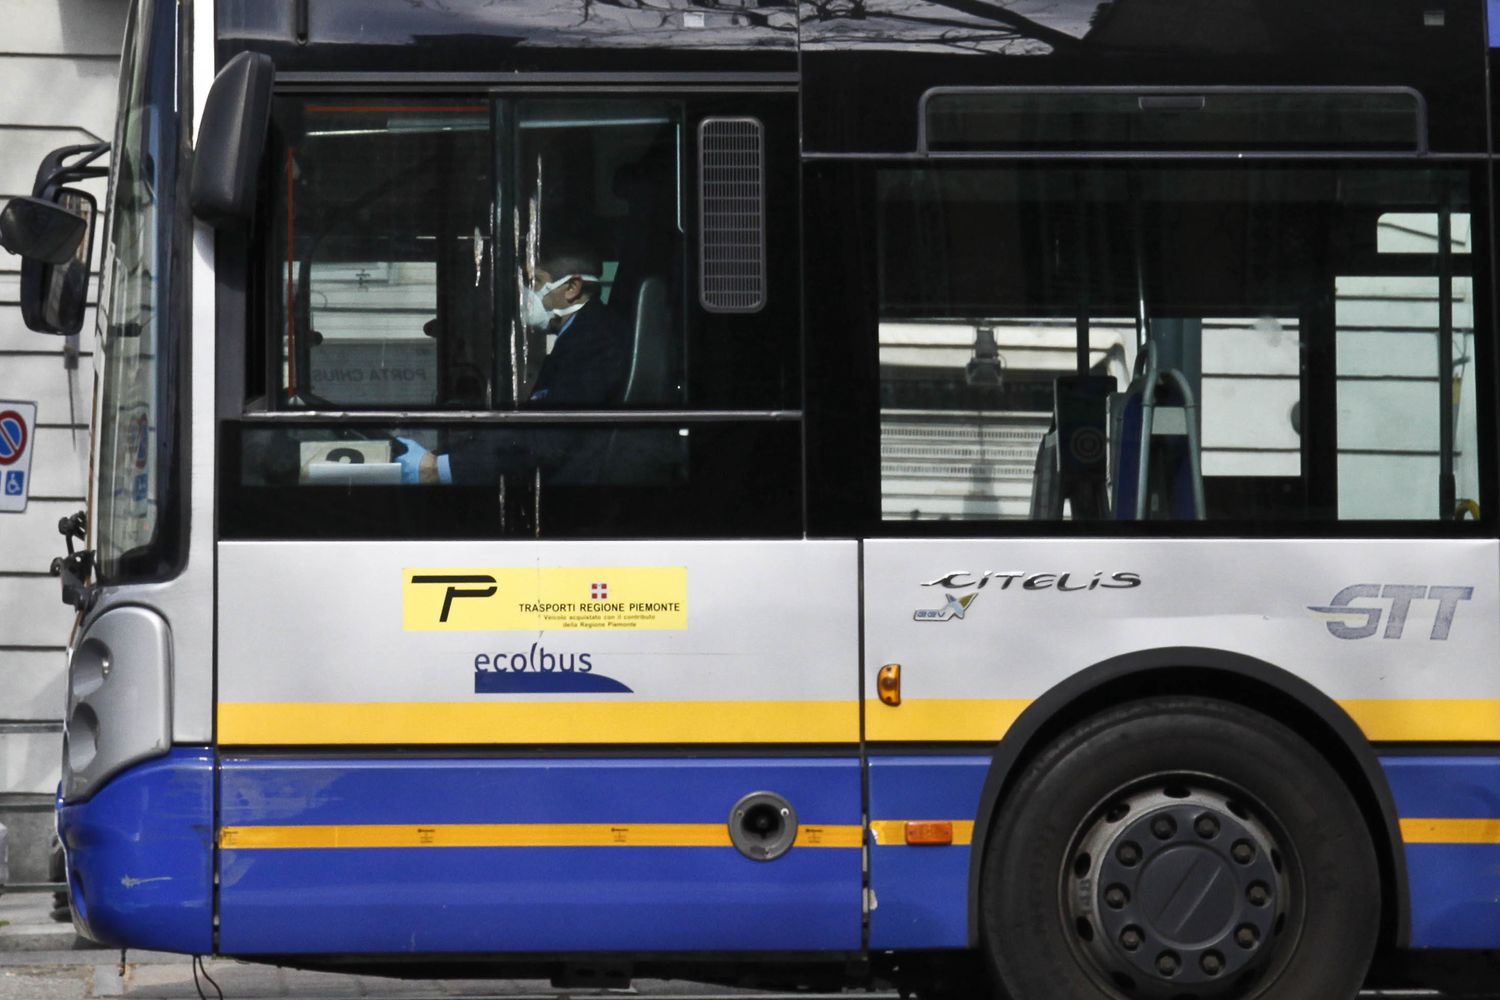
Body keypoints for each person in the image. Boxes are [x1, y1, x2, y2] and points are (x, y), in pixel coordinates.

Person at [395, 244, 629, 485]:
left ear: (572, 287)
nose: (528, 294)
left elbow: (548, 440)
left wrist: (442, 469)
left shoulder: (595, 343)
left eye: (536, 282)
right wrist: (449, 457)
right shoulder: (583, 335)